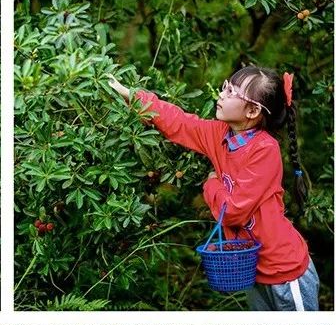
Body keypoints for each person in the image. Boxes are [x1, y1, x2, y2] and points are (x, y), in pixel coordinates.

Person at [107, 67, 318, 310]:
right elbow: (179, 122)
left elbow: (232, 211)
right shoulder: (220, 134)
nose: (222, 93)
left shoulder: (264, 150)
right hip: (253, 269)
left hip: (285, 270)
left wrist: (211, 183)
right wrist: (128, 94)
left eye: (232, 92)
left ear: (252, 111)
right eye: (226, 86)